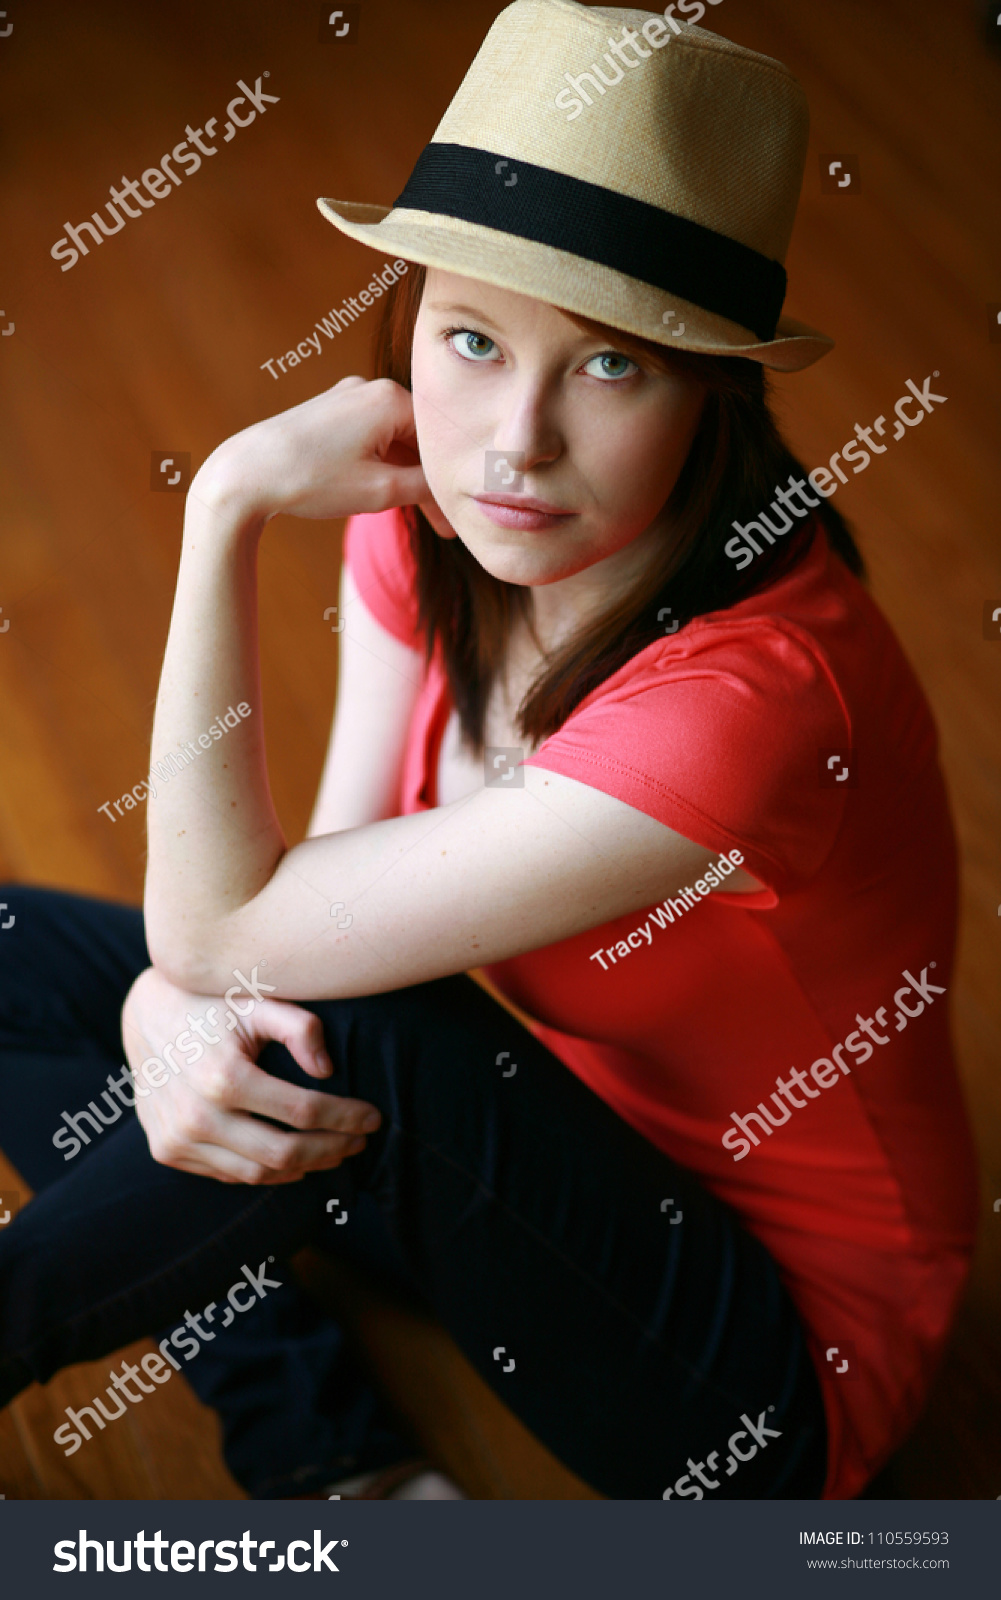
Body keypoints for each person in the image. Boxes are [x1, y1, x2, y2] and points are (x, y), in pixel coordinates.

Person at [0, 2, 977, 1502]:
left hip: (754, 1373)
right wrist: (177, 999)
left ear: (710, 393)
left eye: (608, 369)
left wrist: (228, 506)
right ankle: (335, 1459)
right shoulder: (441, 522)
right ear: (406, 327)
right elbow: (286, 920)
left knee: (355, 1033)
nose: (512, 442)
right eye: (470, 339)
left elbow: (245, 937)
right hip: (500, 1155)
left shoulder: (752, 703)